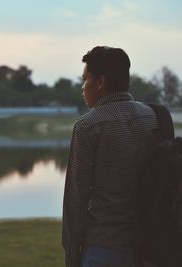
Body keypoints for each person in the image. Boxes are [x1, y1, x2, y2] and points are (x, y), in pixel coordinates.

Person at [62, 46, 158, 267]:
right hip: (147, 243)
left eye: (85, 79)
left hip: (103, 246)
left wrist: (71, 252)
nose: (83, 87)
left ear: (100, 83)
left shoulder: (88, 126)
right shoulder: (151, 117)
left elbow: (76, 197)